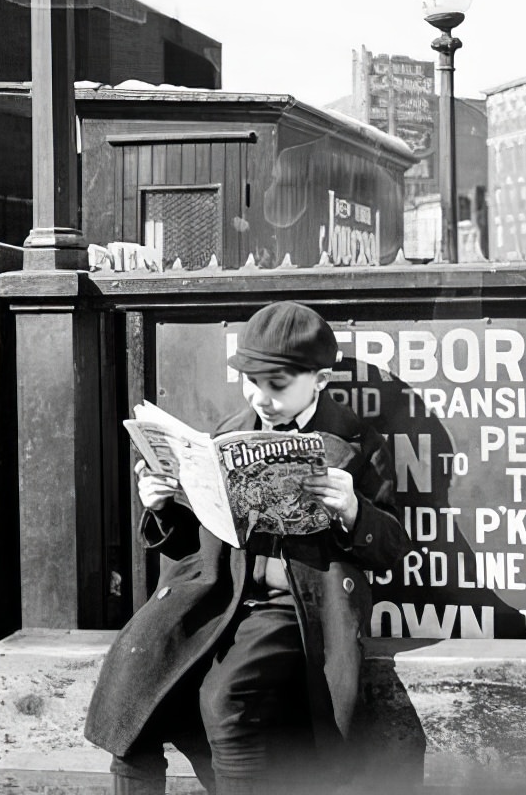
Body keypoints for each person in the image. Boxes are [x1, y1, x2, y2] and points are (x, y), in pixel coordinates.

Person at [85, 301, 413, 795]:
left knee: (226, 699)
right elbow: (193, 544)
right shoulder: (228, 433)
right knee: (133, 687)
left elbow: (391, 550)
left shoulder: (357, 442)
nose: (261, 398)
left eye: (277, 385)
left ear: (320, 380)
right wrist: (160, 506)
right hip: (217, 594)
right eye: (250, 381)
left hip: (292, 605)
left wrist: (353, 510)